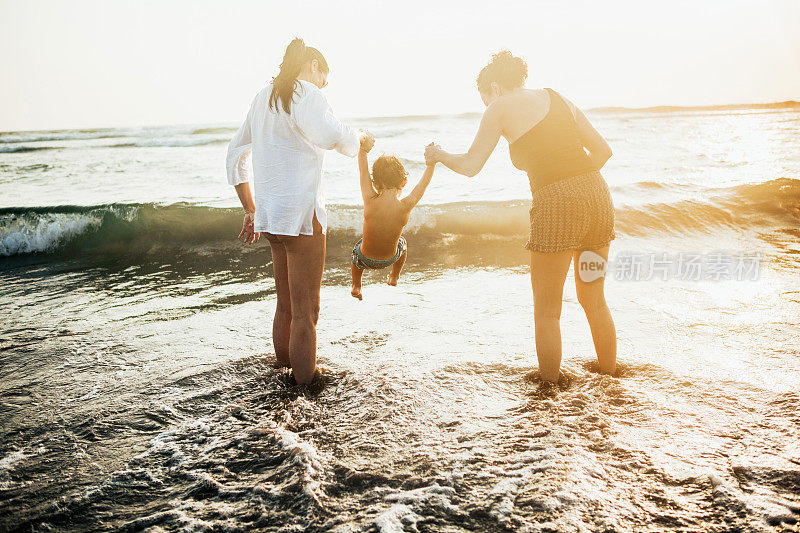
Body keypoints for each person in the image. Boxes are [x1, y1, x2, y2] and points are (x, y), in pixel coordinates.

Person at [425, 51, 617, 383]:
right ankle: (611, 380)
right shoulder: (557, 96)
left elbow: (471, 166)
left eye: (483, 98)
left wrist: (440, 156)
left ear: (495, 87)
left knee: (547, 311)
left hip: (557, 204)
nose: (486, 106)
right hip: (598, 198)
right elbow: (602, 151)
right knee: (594, 300)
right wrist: (577, 184)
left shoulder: (498, 108)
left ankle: (548, 393)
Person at [226, 38, 374, 384]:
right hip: (301, 217)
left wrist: (250, 209)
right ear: (312, 67)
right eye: (325, 77)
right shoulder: (307, 93)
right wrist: (361, 138)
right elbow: (331, 135)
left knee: (286, 308)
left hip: (271, 218)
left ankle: (283, 380)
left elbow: (235, 155)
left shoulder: (262, 97)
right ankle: (305, 395)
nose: (324, 84)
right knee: (307, 312)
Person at [350, 143, 436, 300]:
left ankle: (356, 285)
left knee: (356, 252)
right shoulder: (406, 205)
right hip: (391, 258)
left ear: (374, 184)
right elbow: (423, 184)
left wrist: (363, 151)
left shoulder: (370, 200)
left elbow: (362, 172)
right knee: (402, 243)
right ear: (404, 182)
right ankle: (394, 276)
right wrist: (431, 164)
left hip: (364, 259)